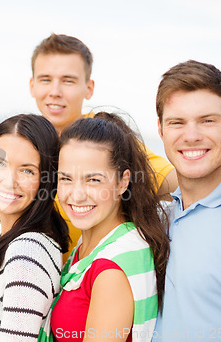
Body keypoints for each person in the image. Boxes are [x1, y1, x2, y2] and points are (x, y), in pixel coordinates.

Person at [28, 33, 221, 260]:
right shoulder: (21, 141)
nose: (55, 92)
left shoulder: (105, 138)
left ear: (88, 87)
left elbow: (182, 181)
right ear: (32, 85)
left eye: (68, 81)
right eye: (45, 80)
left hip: (98, 277)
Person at [153, 60, 221, 341]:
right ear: (161, 130)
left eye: (207, 121)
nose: (191, 136)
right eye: (177, 122)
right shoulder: (160, 217)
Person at [37, 113, 169, 342]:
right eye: (66, 178)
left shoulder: (111, 268)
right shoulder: (97, 242)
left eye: (93, 180)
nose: (76, 196)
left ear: (122, 182)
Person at [0, 114, 69, 342]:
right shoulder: (4, 230)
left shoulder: (27, 252)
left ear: (47, 178)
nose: (9, 181)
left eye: (27, 170)